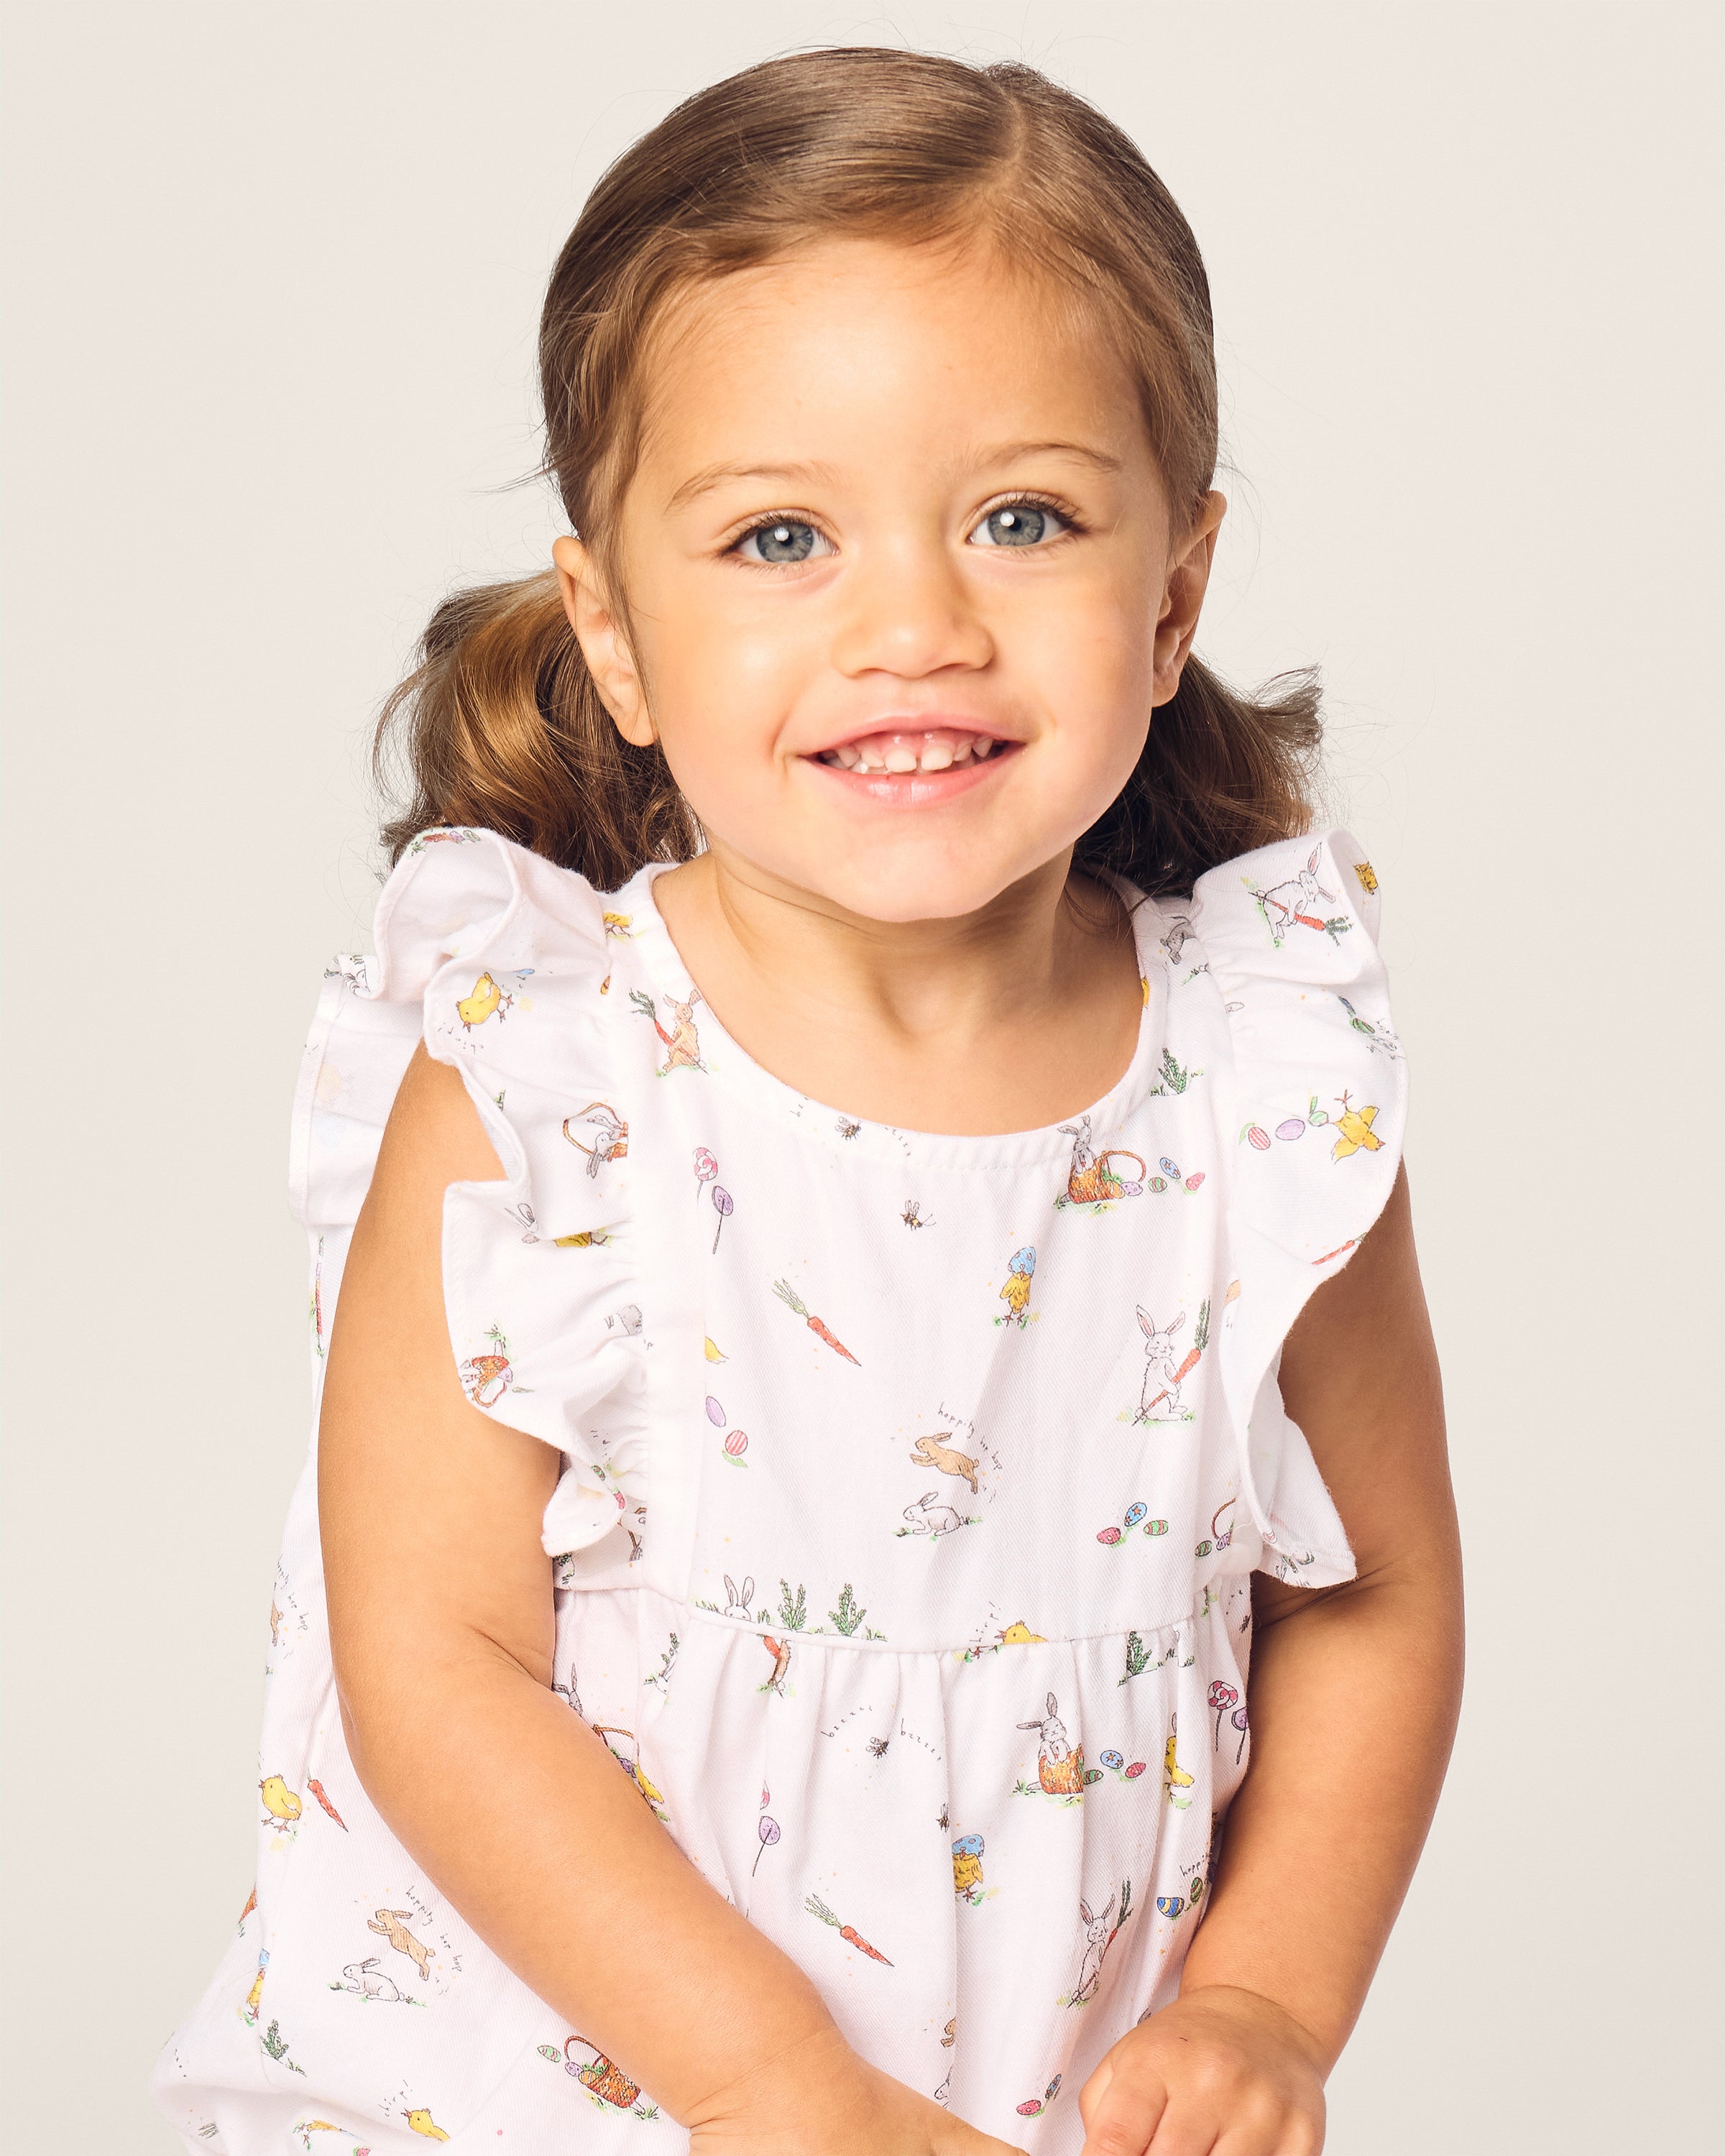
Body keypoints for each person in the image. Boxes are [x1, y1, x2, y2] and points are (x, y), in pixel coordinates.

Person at [152, 47, 1461, 2156]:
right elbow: (436, 1661)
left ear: (1176, 599)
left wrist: (1271, 2013)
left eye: (1021, 518)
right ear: (616, 635)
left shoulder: (1261, 1089)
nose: (917, 627)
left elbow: (1373, 1597)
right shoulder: (544, 1076)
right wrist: (768, 2088)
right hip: (581, 2099)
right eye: (781, 537)